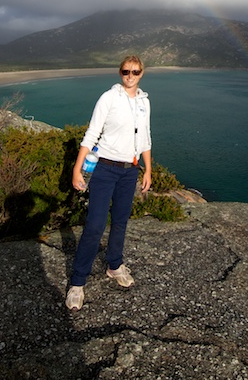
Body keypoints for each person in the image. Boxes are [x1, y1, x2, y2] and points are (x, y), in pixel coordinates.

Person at [65, 55, 152, 311]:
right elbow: (92, 133)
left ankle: (114, 266)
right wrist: (77, 167)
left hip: (130, 170)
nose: (130, 75)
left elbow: (145, 137)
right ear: (120, 72)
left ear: (141, 73)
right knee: (94, 225)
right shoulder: (109, 98)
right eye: (126, 71)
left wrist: (148, 170)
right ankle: (78, 283)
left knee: (121, 221)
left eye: (135, 72)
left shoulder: (145, 102)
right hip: (105, 169)